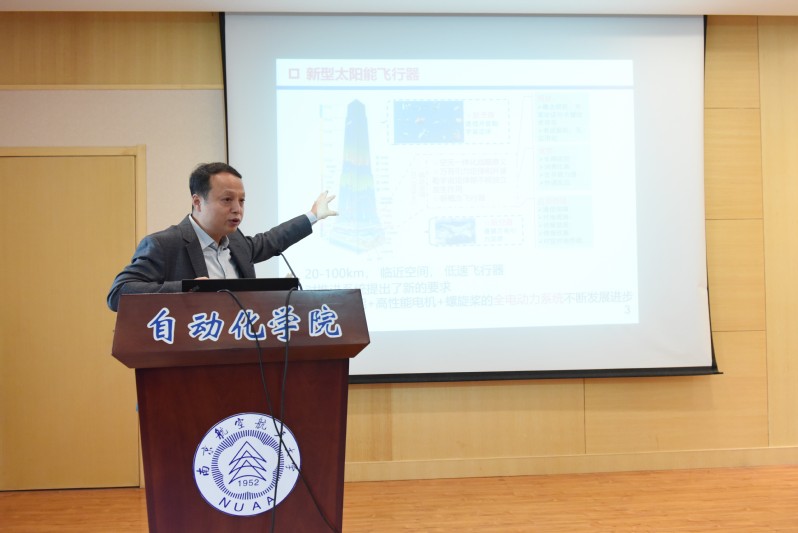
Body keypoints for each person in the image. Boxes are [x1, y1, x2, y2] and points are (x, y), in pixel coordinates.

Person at [106, 162, 337, 311]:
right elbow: (118, 294)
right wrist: (186, 289)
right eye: (227, 200)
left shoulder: (236, 242)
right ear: (198, 201)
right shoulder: (164, 244)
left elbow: (271, 240)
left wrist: (312, 216)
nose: (237, 209)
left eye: (242, 200)